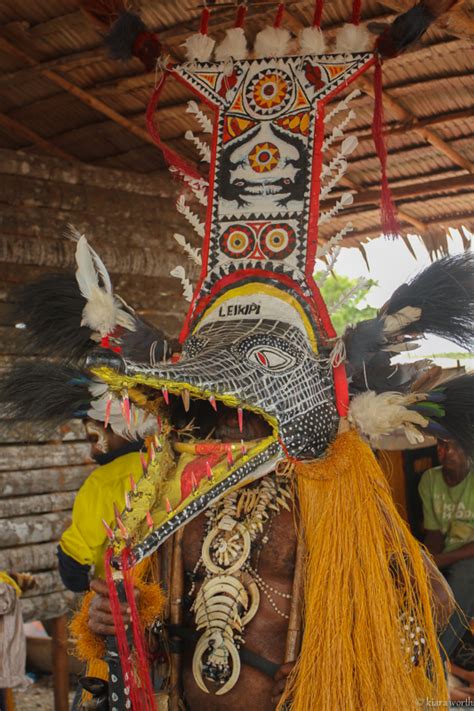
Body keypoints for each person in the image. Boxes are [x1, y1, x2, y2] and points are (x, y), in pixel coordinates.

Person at [57, 419, 144, 593]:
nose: (92, 452)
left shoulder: (103, 481)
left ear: (119, 429)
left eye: (93, 439)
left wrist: (90, 596)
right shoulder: (163, 462)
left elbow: (73, 563)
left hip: (122, 603)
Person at [419, 437, 474, 660]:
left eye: (456, 444)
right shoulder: (429, 480)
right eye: (442, 444)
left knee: (463, 576)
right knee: (421, 578)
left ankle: (436, 659)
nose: (447, 450)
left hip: (467, 556)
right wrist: (430, 561)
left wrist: (443, 560)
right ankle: (418, 647)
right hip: (449, 554)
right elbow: (434, 533)